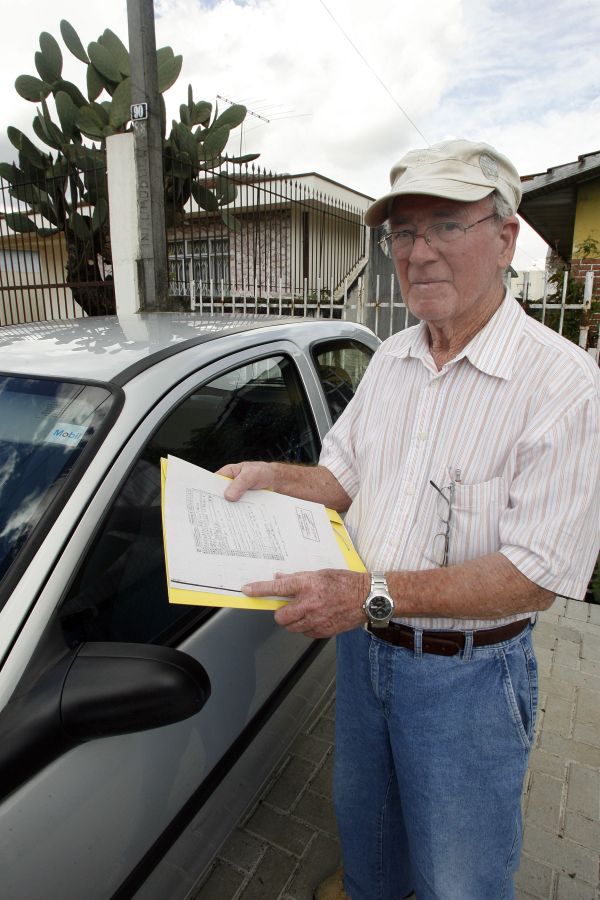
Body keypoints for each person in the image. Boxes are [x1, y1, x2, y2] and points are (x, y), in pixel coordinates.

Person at [217, 139, 600, 900]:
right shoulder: (391, 360)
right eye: (402, 233)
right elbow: (339, 478)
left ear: (505, 237)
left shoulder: (563, 384)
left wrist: (368, 594)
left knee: (460, 875)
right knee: (369, 828)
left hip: (470, 679)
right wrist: (272, 476)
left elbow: (536, 575)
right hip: (365, 659)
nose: (417, 252)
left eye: (444, 225)